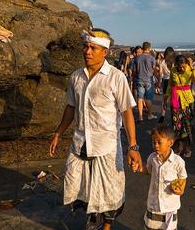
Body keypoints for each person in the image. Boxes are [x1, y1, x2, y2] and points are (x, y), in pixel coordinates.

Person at [49, 28, 142, 230]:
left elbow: (127, 112)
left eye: (93, 48)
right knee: (83, 184)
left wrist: (133, 146)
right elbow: (71, 107)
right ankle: (93, 218)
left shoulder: (116, 77)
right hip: (81, 141)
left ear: (105, 52)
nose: (87, 51)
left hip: (106, 144)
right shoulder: (76, 77)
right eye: (86, 46)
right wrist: (58, 133)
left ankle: (107, 225)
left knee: (109, 190)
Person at [140, 125, 187, 230]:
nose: (156, 145)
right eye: (153, 142)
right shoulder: (152, 158)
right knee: (150, 227)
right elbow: (148, 170)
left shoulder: (178, 162)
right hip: (154, 205)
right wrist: (139, 167)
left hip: (170, 206)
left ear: (170, 142)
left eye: (159, 142)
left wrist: (180, 190)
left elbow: (183, 178)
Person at [164, 55, 195, 158]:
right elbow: (170, 84)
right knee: (177, 125)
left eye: (183, 66)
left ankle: (188, 147)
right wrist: (166, 97)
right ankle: (179, 146)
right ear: (176, 65)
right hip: (175, 100)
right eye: (180, 66)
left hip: (187, 101)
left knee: (187, 125)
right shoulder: (173, 70)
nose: (182, 68)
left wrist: (192, 69)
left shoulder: (190, 69)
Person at [133, 41, 157, 122]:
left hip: (140, 79)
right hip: (149, 80)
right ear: (149, 48)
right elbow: (153, 70)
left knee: (140, 98)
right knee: (148, 99)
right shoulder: (152, 58)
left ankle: (140, 117)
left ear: (143, 48)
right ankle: (150, 115)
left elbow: (135, 70)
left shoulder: (137, 58)